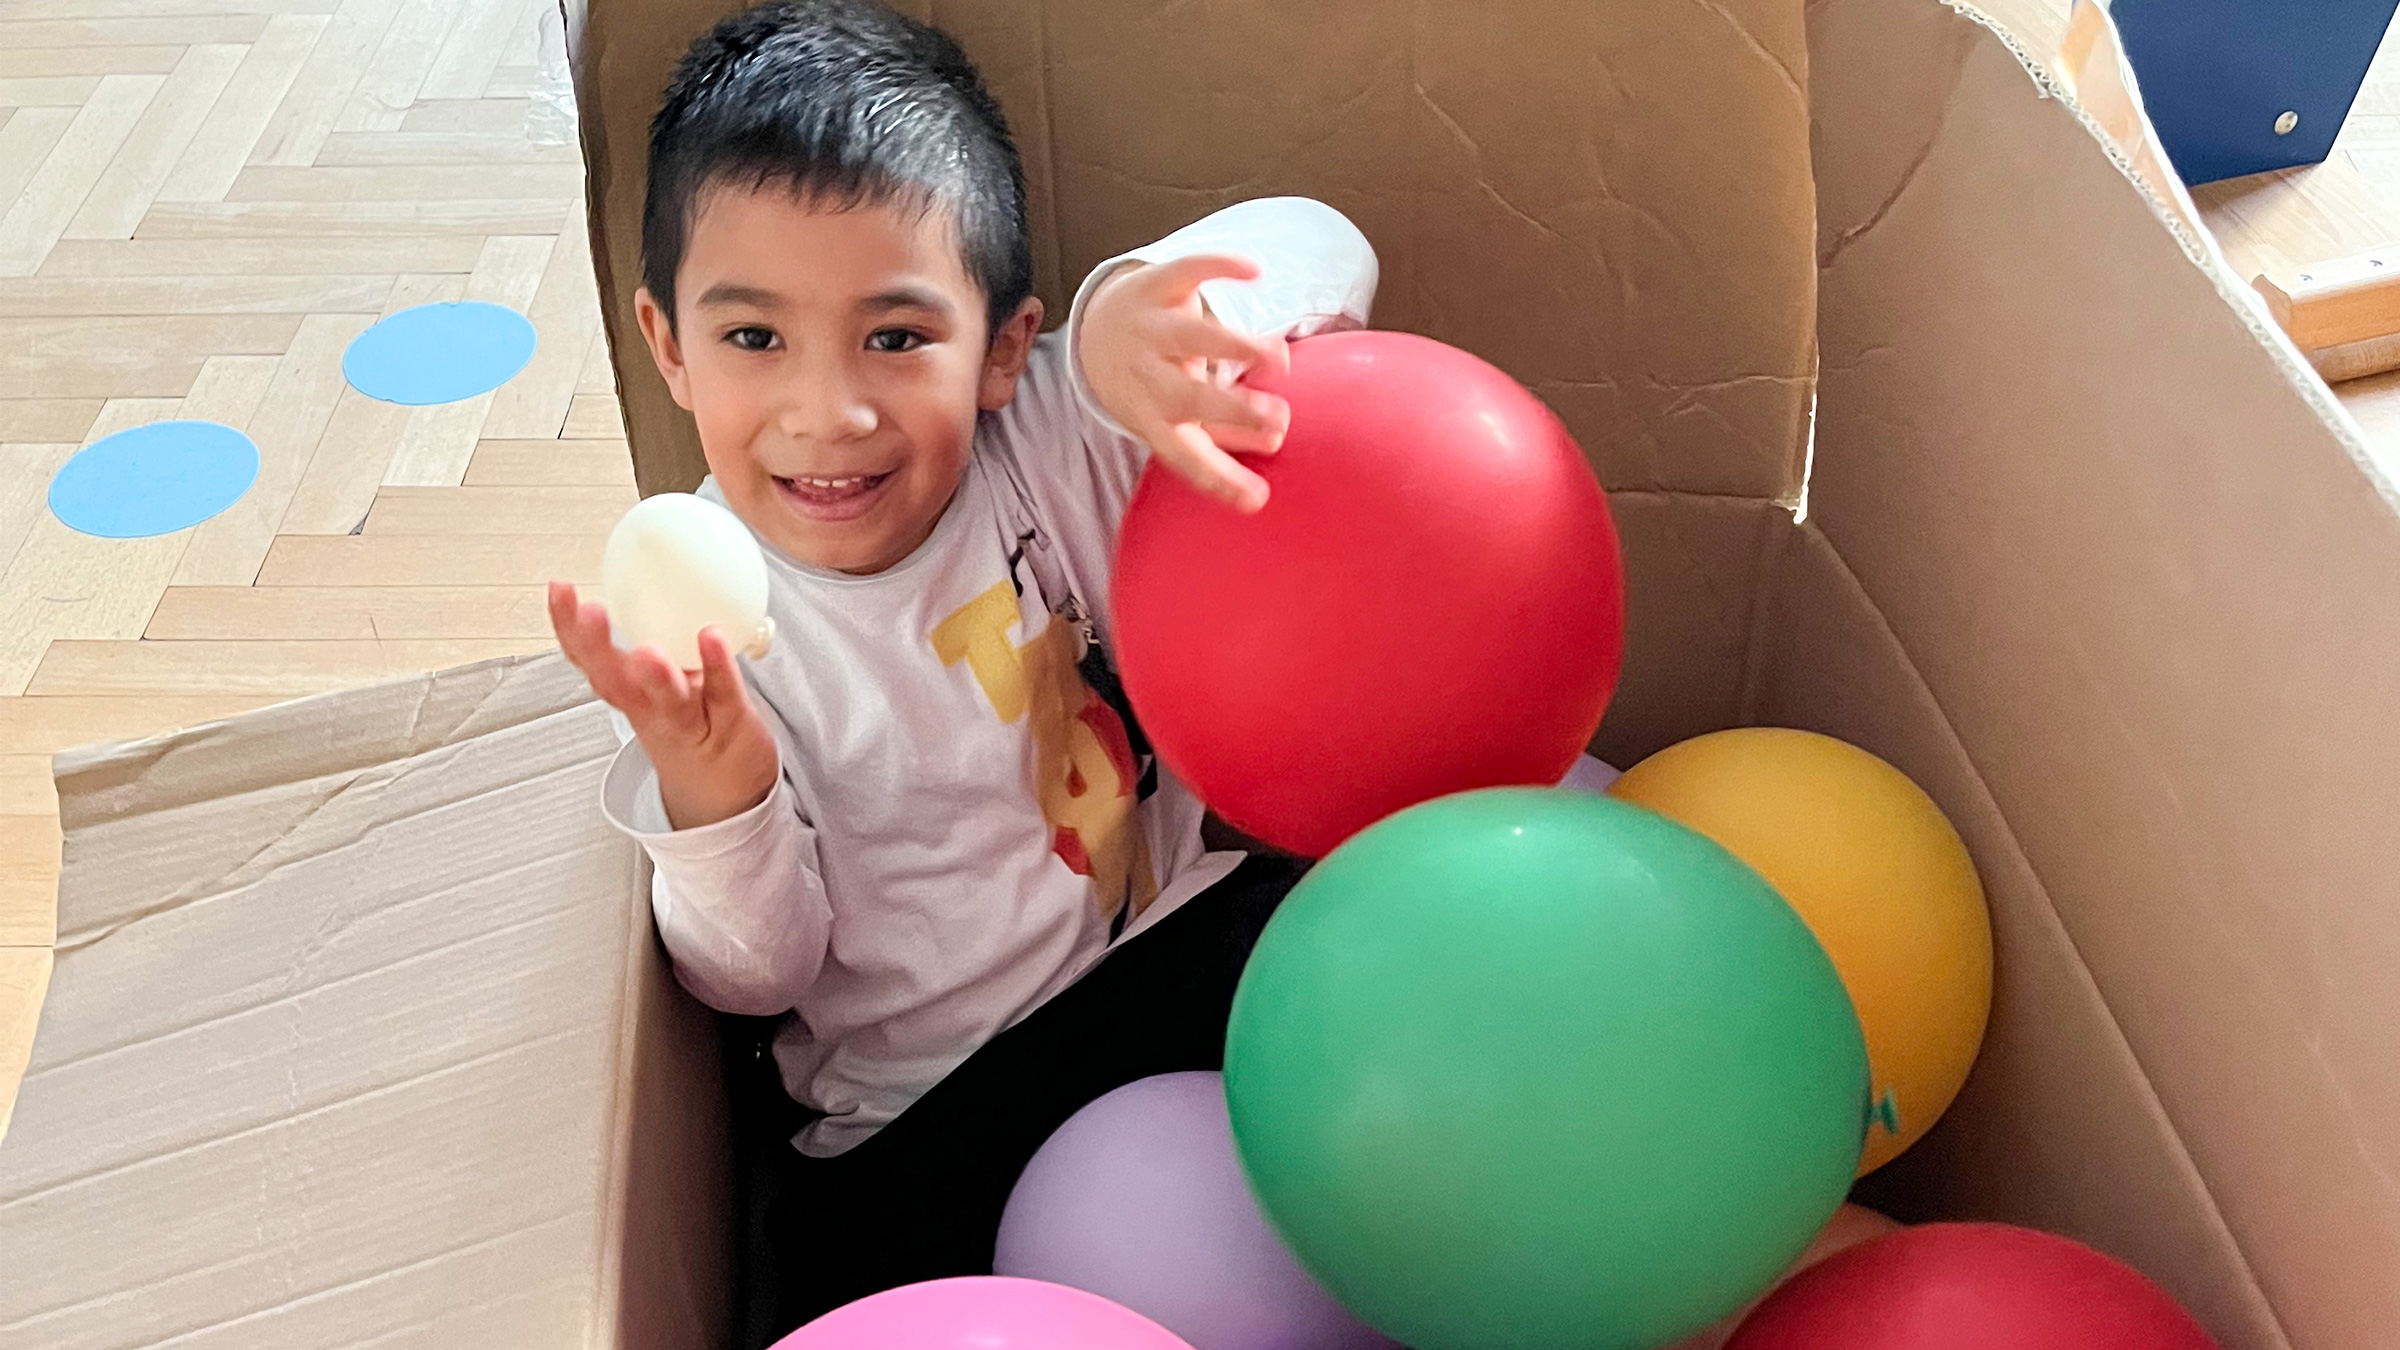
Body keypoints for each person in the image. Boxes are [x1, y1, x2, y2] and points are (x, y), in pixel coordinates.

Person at [542, 0, 1377, 1336]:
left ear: (998, 348)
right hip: (919, 1111)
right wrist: (721, 789)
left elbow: (1327, 243)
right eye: (755, 339)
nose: (832, 410)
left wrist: (1126, 322)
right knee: (850, 1281)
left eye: (896, 335)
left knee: (1370, 971)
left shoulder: (1053, 427)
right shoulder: (707, 627)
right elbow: (756, 977)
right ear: (668, 347)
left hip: (1175, 952)